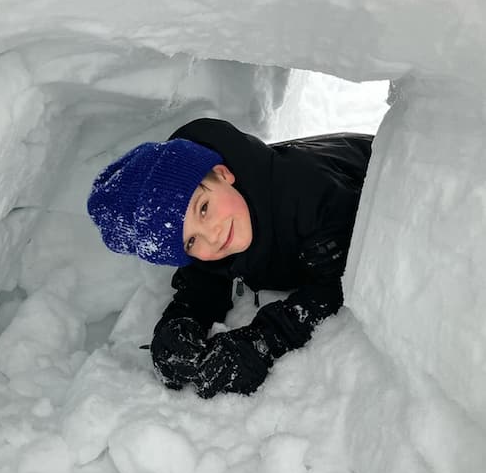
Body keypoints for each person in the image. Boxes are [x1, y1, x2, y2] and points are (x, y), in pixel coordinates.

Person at [87, 118, 373, 398]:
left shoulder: (311, 199)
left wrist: (264, 340)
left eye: (203, 209)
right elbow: (206, 275)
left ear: (223, 174)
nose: (212, 235)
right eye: (190, 241)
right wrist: (182, 320)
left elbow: (340, 283)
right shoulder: (226, 216)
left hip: (363, 168)